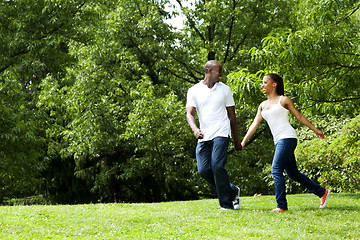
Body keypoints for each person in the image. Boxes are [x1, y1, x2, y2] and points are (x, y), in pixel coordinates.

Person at [241, 73, 330, 212]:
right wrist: (243, 141)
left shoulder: (283, 100)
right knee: (293, 173)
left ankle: (281, 205)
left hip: (288, 137)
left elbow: (299, 116)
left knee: (276, 169)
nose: (262, 85)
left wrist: (316, 130)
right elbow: (254, 124)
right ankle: (322, 192)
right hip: (278, 141)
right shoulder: (262, 105)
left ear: (274, 84)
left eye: (265, 82)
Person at [186, 60, 242, 210]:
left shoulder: (225, 90)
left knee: (217, 165)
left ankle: (226, 205)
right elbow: (190, 114)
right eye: (219, 71)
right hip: (204, 134)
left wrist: (236, 141)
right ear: (209, 72)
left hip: (222, 132)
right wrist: (195, 129)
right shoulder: (194, 90)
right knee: (203, 170)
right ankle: (232, 190)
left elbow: (232, 116)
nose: (221, 74)